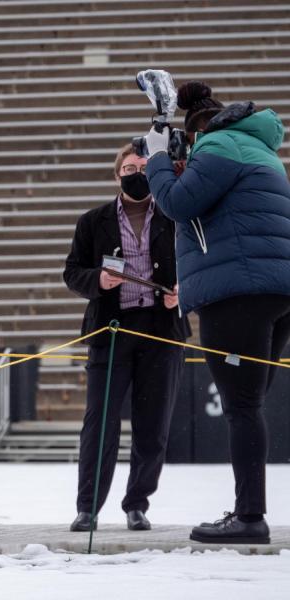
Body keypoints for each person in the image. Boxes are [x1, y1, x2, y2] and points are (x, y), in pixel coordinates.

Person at [144, 81, 290, 544]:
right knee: (250, 403)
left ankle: (250, 518)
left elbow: (177, 202)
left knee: (241, 405)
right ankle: (249, 511)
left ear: (195, 129)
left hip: (236, 292)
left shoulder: (218, 144)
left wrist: (156, 161)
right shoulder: (258, 149)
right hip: (275, 291)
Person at [63, 144, 191, 532]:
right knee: (99, 424)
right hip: (111, 331)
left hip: (162, 333)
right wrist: (98, 281)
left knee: (153, 426)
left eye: (143, 167)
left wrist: (183, 291)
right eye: (129, 167)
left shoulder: (178, 217)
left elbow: (199, 267)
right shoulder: (92, 221)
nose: (135, 172)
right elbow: (72, 273)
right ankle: (88, 507)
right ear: (117, 174)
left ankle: (137, 503)